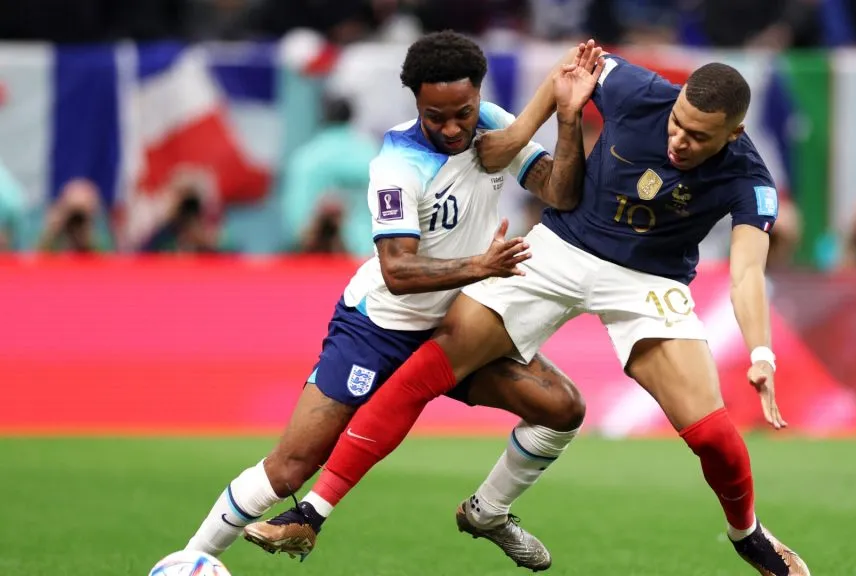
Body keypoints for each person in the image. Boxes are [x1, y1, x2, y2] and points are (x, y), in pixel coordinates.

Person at [263, 44, 813, 575]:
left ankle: (748, 535)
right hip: (558, 248)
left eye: (698, 136)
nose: (678, 140)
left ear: (734, 133)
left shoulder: (750, 177)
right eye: (677, 122)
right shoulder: (638, 89)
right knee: (426, 368)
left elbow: (745, 271)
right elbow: (571, 69)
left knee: (713, 435)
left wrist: (760, 351)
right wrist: (520, 133)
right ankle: (312, 513)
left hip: (648, 281)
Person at [184, 32, 599, 572]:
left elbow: (562, 193)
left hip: (454, 330)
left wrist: (567, 118)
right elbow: (398, 271)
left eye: (463, 113)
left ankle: (488, 512)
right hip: (376, 329)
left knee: (562, 407)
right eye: (436, 116)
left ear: (478, 96)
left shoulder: (494, 123)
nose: (452, 128)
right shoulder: (396, 164)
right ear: (415, 103)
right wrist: (481, 266)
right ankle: (189, 562)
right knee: (290, 468)